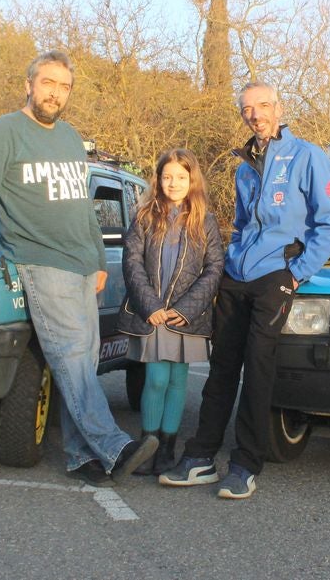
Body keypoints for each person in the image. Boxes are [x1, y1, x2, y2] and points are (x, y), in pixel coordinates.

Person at [0, 50, 157, 487]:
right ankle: (112, 446)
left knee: (81, 362)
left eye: (64, 86)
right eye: (48, 83)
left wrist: (93, 258)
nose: (55, 93)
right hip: (40, 261)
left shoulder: (69, 136)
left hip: (82, 268)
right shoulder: (6, 132)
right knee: (71, 356)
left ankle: (78, 456)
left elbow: (82, 206)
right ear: (28, 84)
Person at [159, 82, 330, 499]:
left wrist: (296, 273)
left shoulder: (308, 156)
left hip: (275, 276)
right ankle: (201, 457)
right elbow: (243, 224)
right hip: (237, 275)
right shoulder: (244, 166)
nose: (255, 114)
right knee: (221, 367)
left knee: (258, 371)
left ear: (279, 108)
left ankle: (244, 465)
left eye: (262, 106)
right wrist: (229, 258)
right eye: (247, 109)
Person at [118, 148, 224, 476]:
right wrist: (150, 306)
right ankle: (147, 446)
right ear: (158, 179)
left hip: (185, 316)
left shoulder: (204, 218)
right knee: (156, 378)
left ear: (191, 179)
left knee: (178, 379)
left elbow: (215, 266)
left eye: (180, 177)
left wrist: (187, 308)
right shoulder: (144, 215)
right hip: (152, 314)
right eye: (167, 177)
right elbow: (132, 261)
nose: (173, 183)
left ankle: (167, 448)